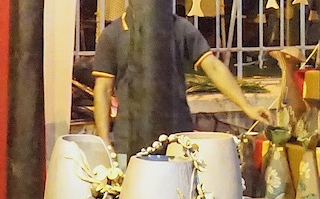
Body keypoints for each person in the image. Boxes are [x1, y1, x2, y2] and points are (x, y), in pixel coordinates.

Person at [92, 14, 270, 152]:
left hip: (178, 134)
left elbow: (213, 67)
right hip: (128, 138)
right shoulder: (112, 35)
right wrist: (104, 140)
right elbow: (103, 90)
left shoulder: (179, 28)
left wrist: (247, 106)